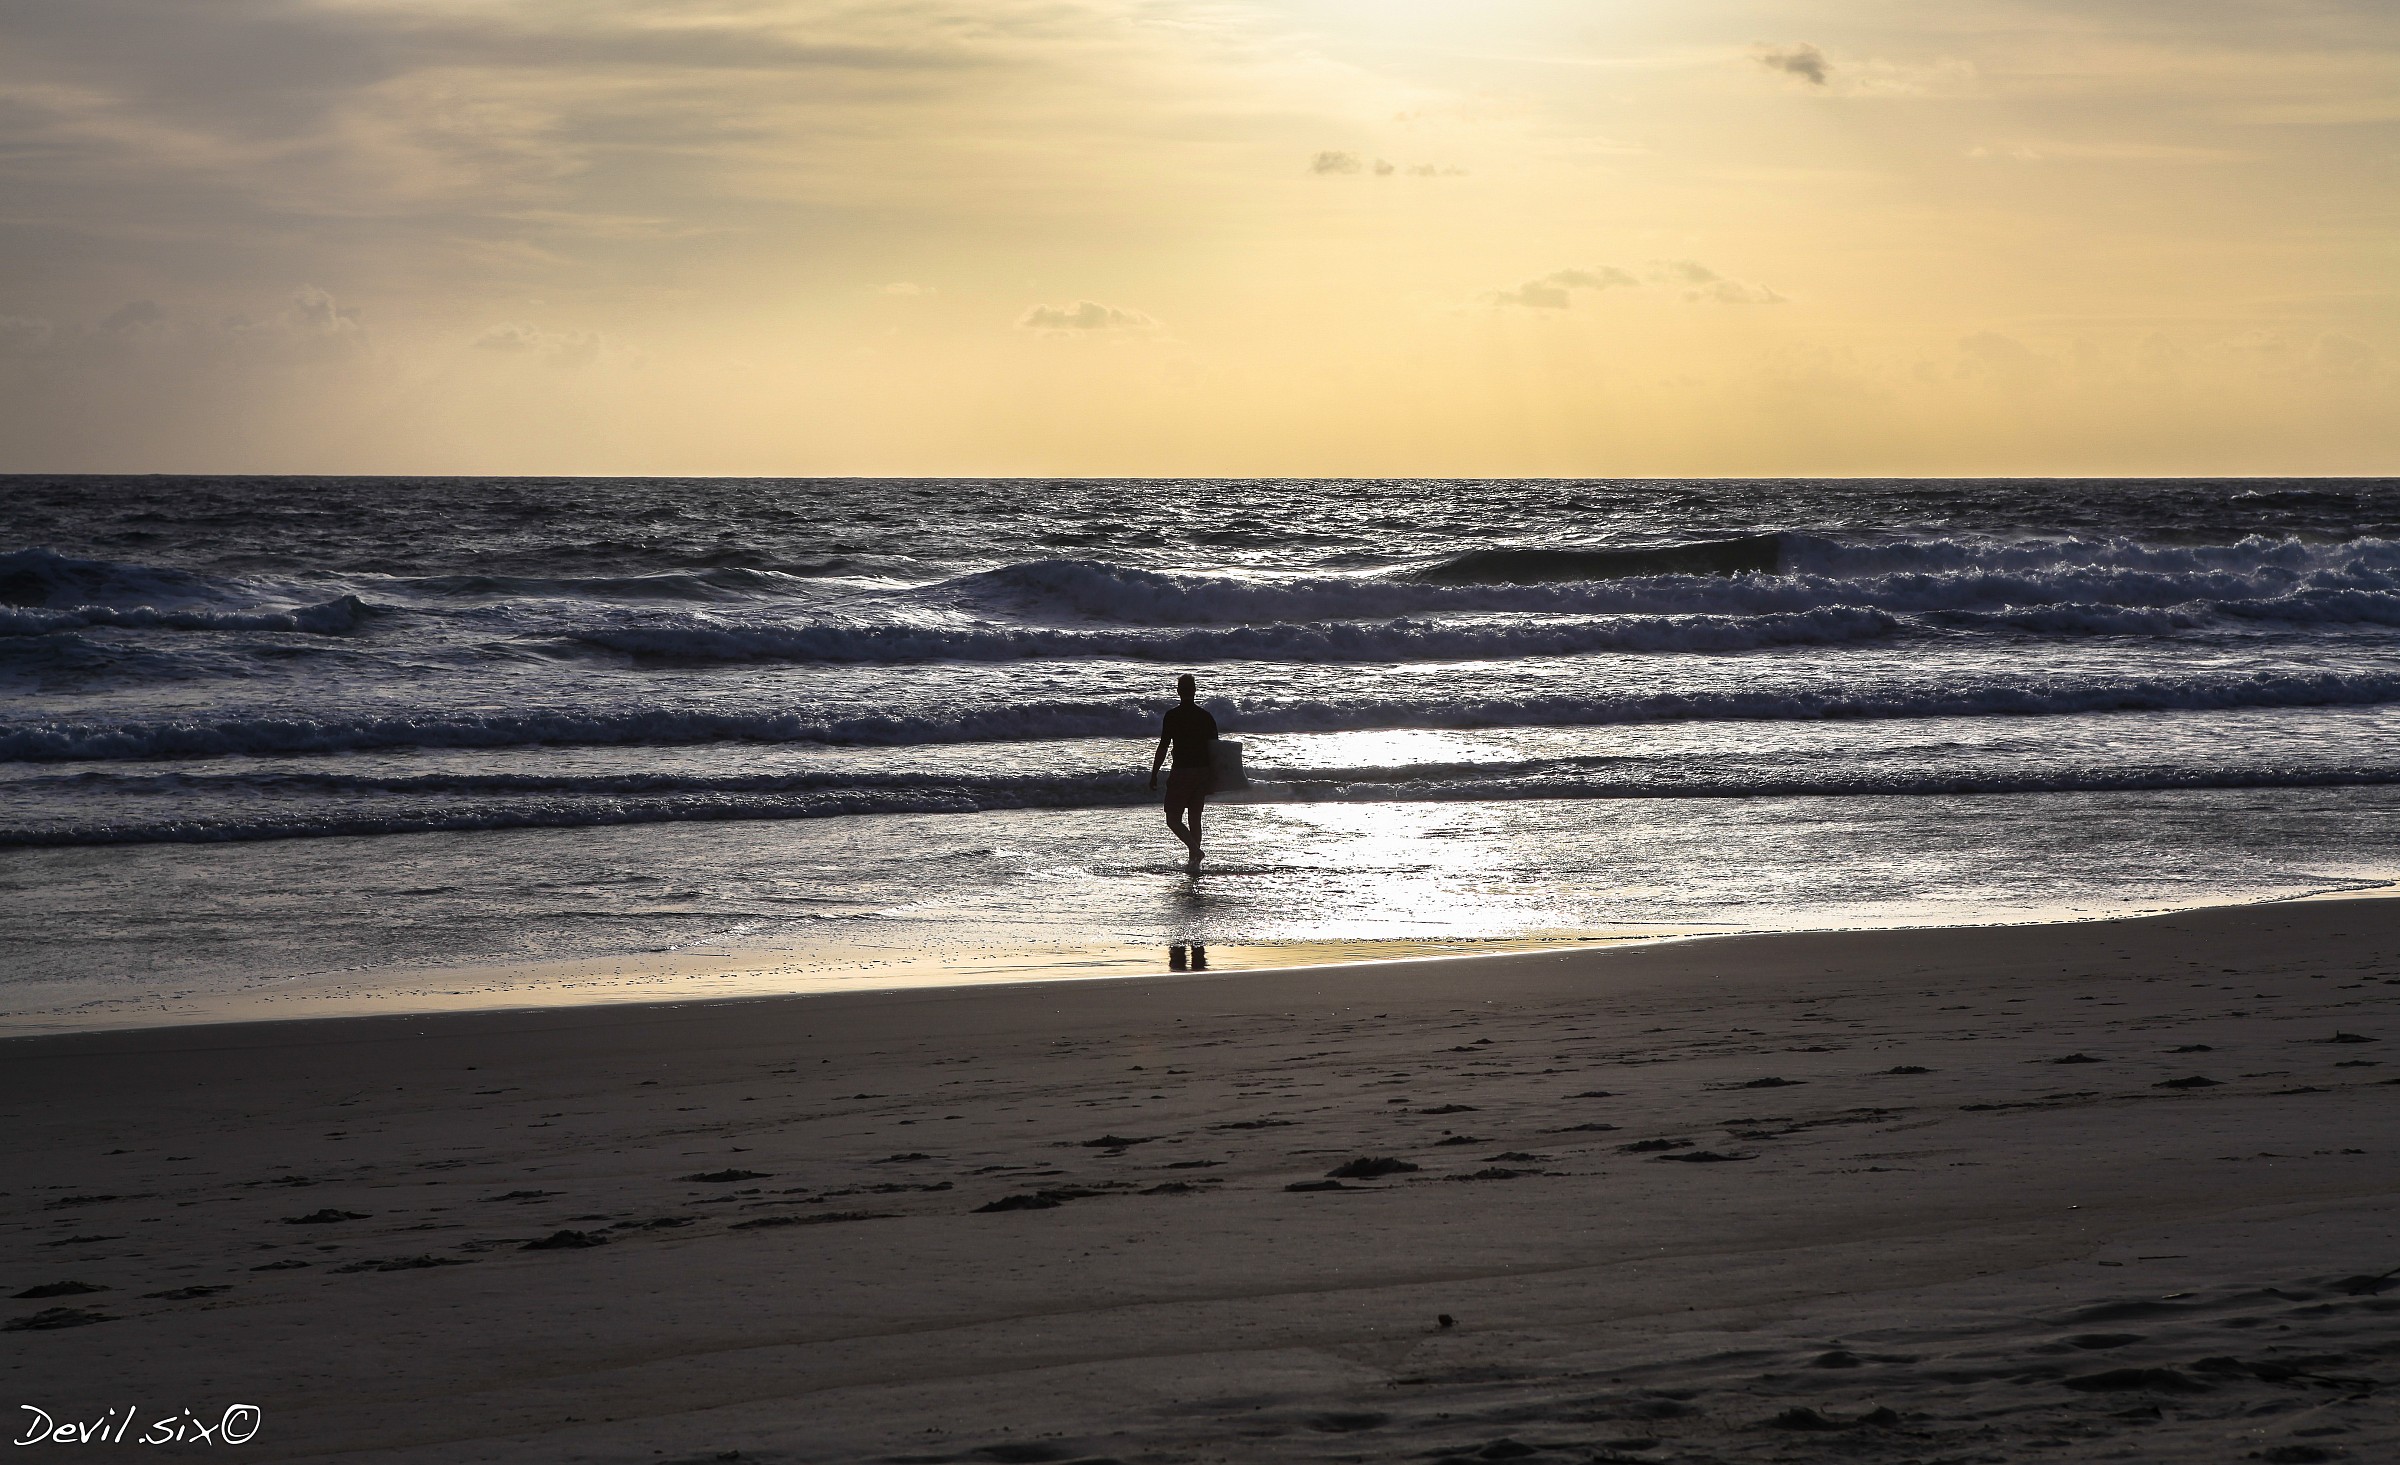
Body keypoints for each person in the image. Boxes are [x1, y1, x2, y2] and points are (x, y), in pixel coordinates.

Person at [1149, 673, 1217, 868]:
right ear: (1195, 691)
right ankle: (1193, 863)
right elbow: (1217, 750)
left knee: (1172, 818)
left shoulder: (1172, 716)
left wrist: (1154, 773)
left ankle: (1195, 852)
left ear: (1178, 691)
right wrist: (1214, 776)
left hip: (1182, 771)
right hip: (1203, 771)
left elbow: (1163, 747)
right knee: (1195, 818)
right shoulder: (1206, 717)